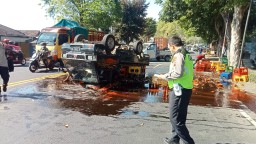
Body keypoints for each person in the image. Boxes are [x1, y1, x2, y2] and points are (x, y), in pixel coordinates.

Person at [154, 36, 195, 144]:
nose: (169, 48)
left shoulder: (178, 55)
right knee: (180, 118)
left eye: (169, 46)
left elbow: (178, 73)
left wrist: (164, 77)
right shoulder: (186, 53)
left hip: (179, 90)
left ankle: (189, 142)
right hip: (185, 88)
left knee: (175, 119)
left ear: (172, 45)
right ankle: (174, 140)